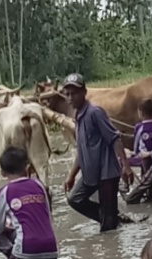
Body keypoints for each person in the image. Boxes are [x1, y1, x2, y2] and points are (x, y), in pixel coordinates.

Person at [61, 73, 135, 232]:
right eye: (67, 94)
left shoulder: (95, 112)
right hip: (90, 173)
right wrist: (71, 175)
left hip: (106, 174)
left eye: (74, 93)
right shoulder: (78, 115)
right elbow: (82, 150)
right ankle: (112, 217)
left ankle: (111, 220)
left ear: (84, 92)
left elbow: (115, 138)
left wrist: (125, 165)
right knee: (74, 199)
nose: (71, 98)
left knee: (108, 231)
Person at [129, 98, 152, 200]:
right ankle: (150, 191)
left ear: (141, 113)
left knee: (121, 161)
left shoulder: (139, 127)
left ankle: (127, 186)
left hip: (145, 158)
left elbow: (136, 145)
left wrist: (134, 153)